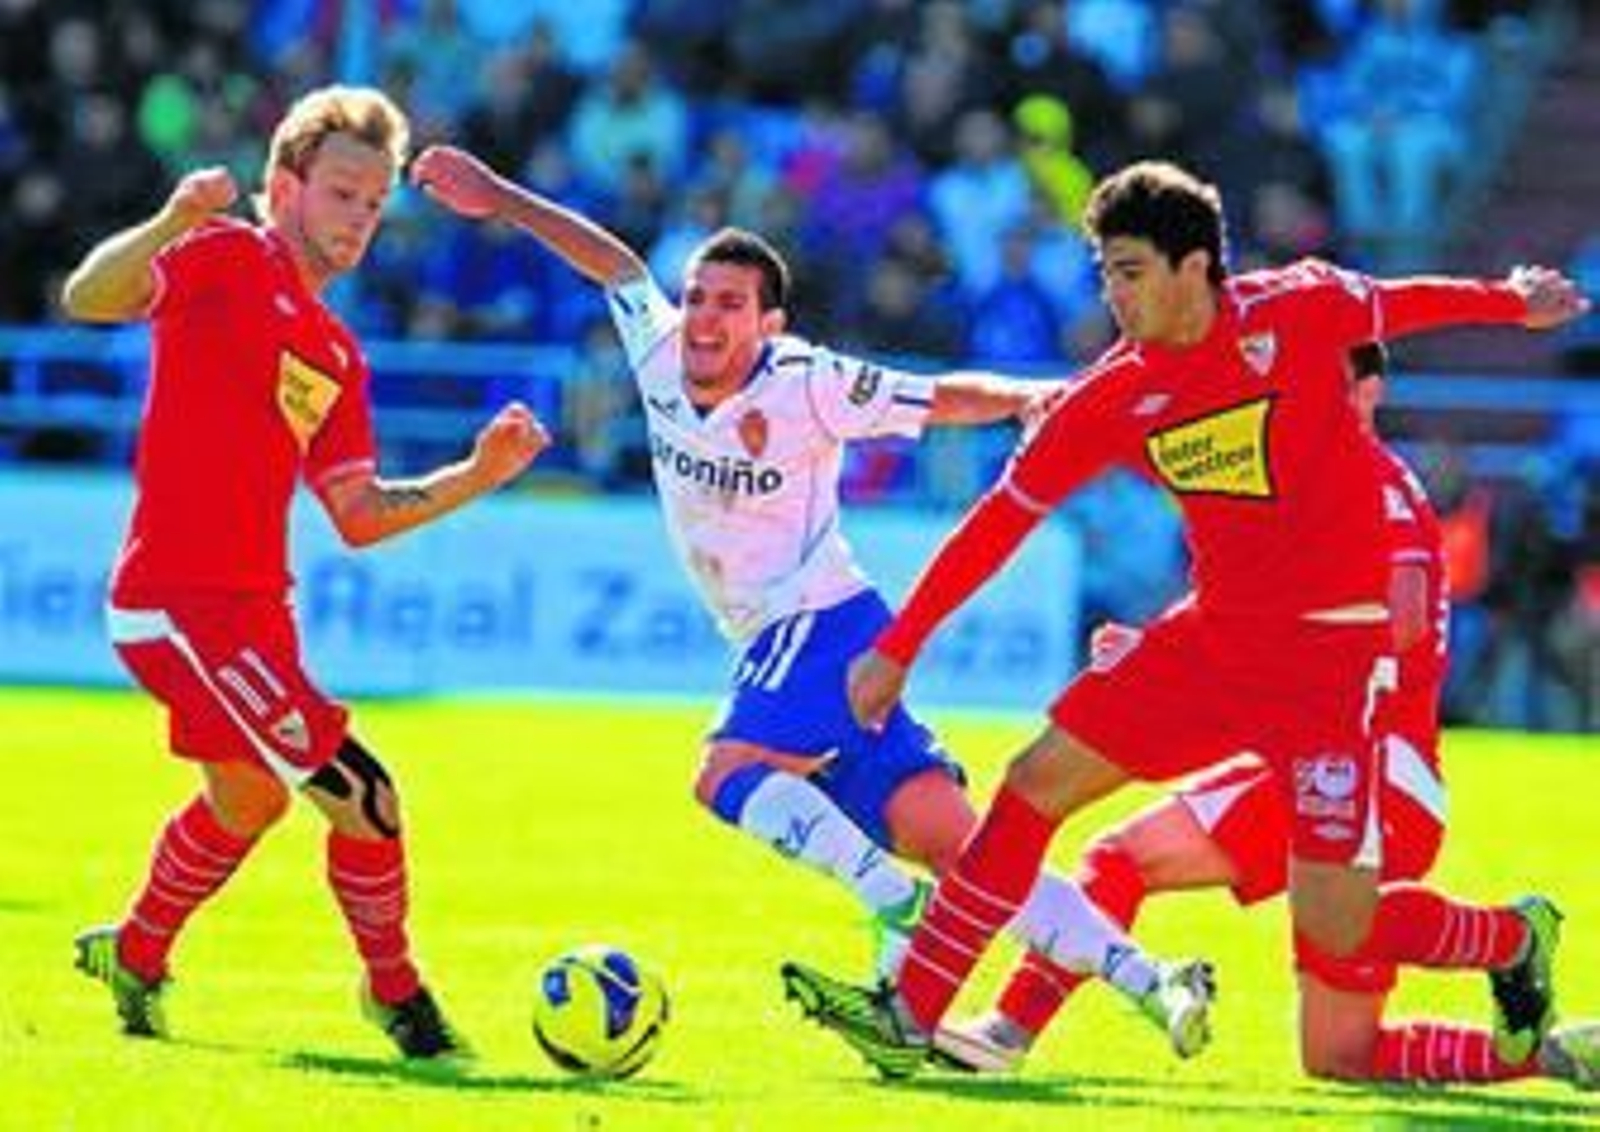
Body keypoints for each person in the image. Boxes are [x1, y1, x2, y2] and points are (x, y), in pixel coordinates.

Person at [780, 159, 1598, 1086]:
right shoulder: (1112, 394)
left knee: (1339, 929)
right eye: (1104, 274)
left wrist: (1510, 301)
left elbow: (1402, 304)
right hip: (1214, 647)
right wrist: (899, 646)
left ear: (1195, 265)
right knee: (1034, 782)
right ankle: (913, 1011)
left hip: (1330, 672)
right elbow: (998, 523)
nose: (1112, 295)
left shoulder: (1298, 310)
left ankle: (1510, 940)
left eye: (1128, 271)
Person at [409, 143, 1218, 1057]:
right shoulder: (660, 347)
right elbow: (616, 265)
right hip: (802, 637)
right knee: (960, 842)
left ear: (769, 322)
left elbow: (937, 396)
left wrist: (1028, 398)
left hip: (820, 622)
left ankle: (890, 903)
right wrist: (501, 195)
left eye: (731, 305)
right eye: (700, 297)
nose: (707, 320)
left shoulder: (805, 381)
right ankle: (1157, 984)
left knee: (723, 774)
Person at [934, 343, 1593, 1088]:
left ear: (1367, 390)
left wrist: (1267, 672)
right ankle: (1551, 1049)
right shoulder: (1297, 480)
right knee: (1339, 1056)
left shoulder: (1371, 481)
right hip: (1308, 753)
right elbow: (1237, 613)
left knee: (1162, 868)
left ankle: (1509, 938)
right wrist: (1157, 653)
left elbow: (1400, 620)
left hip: (1373, 770)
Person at [63, 86, 548, 1059]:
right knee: (363, 796)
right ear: (282, 187)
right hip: (177, 604)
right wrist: (172, 218)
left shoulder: (334, 352)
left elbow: (360, 515)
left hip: (254, 612)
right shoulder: (225, 255)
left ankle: (137, 950)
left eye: (373, 203)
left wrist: (478, 474)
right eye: (341, 193)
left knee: (249, 800)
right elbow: (88, 299)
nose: (360, 218)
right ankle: (398, 998)